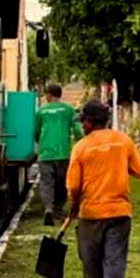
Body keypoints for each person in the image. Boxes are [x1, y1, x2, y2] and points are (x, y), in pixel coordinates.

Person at [67, 101, 140, 278]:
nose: (82, 125)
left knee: (90, 258)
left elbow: (73, 186)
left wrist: (73, 205)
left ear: (90, 122)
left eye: (83, 121)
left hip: (91, 213)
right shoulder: (124, 141)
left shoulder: (81, 147)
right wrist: (117, 162)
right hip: (120, 212)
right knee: (115, 259)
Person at [34, 83, 83, 226]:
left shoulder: (41, 111)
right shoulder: (69, 110)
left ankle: (48, 208)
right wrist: (82, 142)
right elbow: (77, 130)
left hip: (46, 153)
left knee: (46, 182)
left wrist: (40, 141)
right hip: (63, 153)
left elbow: (36, 131)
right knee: (62, 183)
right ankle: (58, 209)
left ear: (49, 95)